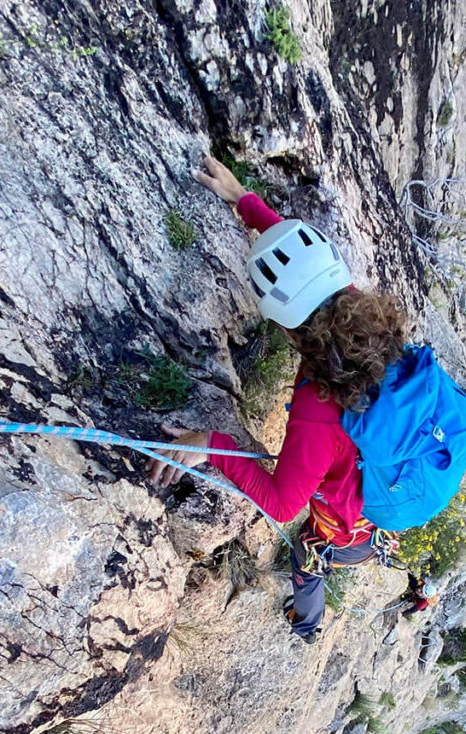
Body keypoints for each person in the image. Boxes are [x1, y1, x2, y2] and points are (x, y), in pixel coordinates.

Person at [148, 155, 407, 644]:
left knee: (308, 563)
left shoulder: (317, 413)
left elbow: (284, 504)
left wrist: (211, 442)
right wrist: (243, 200)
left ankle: (307, 625)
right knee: (319, 552)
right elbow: (304, 273)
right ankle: (308, 615)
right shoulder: (363, 321)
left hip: (347, 535)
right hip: (381, 503)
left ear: (289, 325)